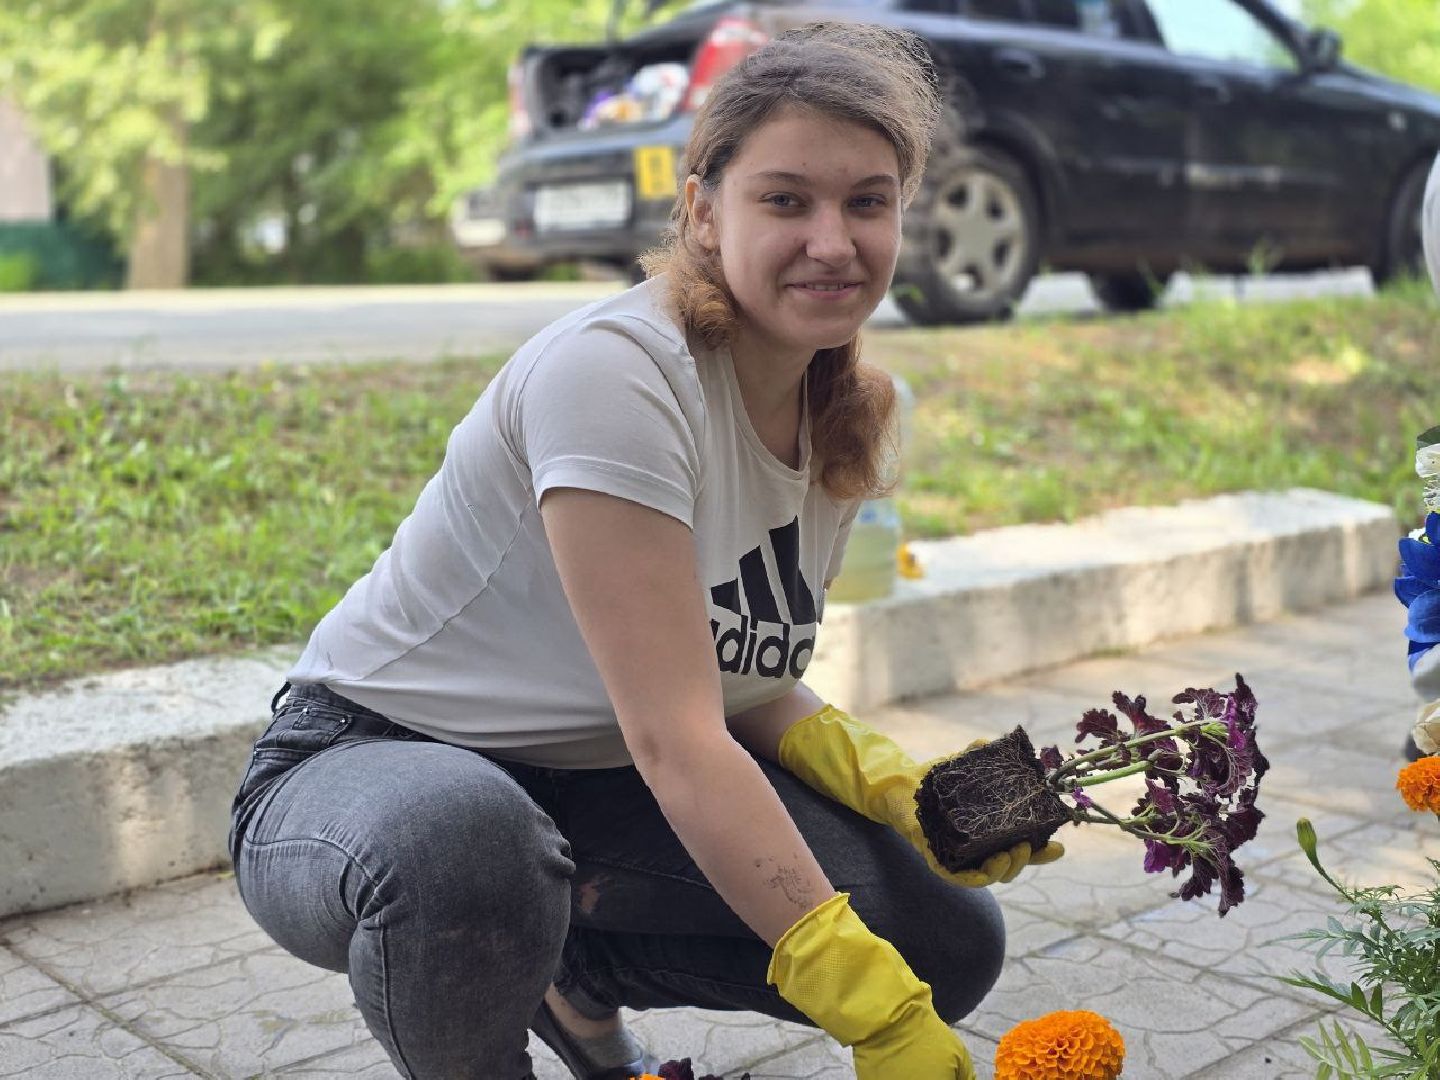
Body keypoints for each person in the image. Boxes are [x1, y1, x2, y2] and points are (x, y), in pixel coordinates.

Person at [228, 23, 1059, 1080]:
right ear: (703, 211)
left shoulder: (847, 410)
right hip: (367, 769)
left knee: (944, 936)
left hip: (591, 781)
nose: (833, 241)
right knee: (469, 846)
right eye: (786, 199)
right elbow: (680, 739)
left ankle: (573, 976)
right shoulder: (619, 373)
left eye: (868, 201)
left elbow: (741, 684)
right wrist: (871, 1008)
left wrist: (896, 783)